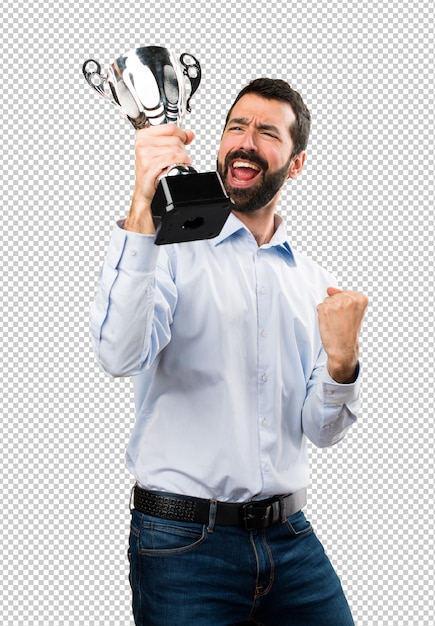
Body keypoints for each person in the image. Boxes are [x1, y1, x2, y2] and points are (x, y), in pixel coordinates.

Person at [90, 78, 368, 625]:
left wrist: (343, 363)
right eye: (236, 127)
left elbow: (323, 431)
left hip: (291, 542)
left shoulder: (317, 284)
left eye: (267, 132)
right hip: (182, 546)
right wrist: (143, 205)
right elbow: (118, 355)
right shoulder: (168, 249)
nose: (245, 141)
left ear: (296, 164)